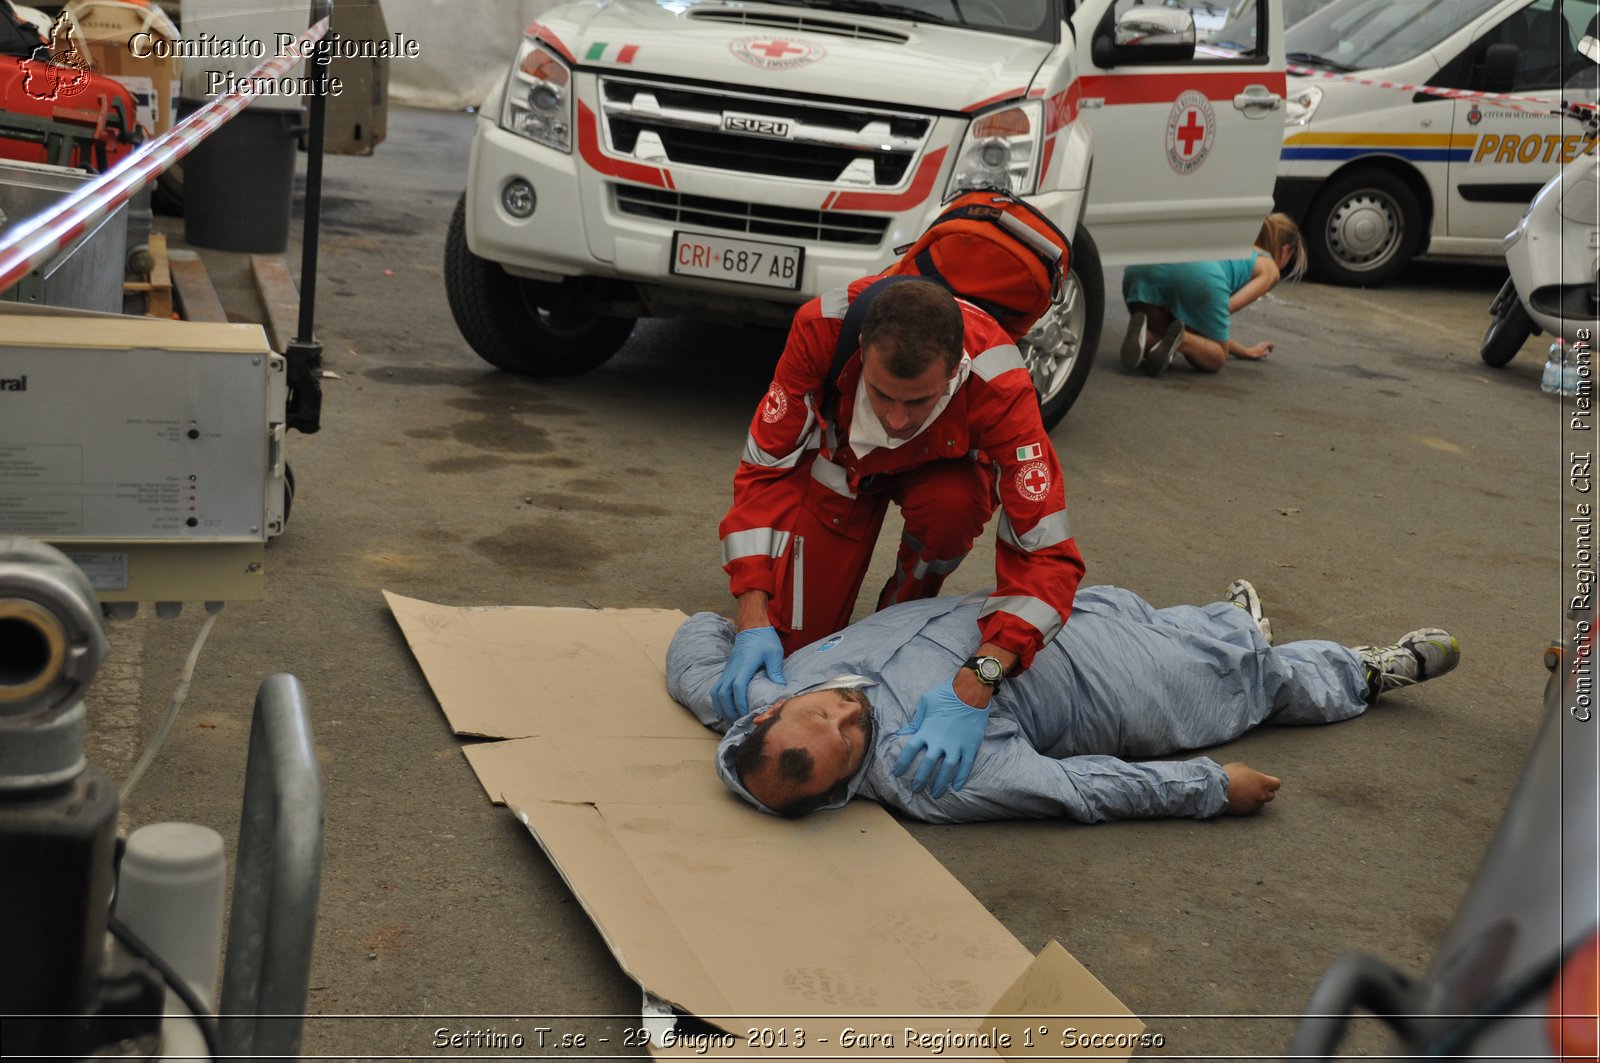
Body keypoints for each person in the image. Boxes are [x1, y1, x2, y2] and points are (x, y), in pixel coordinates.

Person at [667, 579, 1460, 823]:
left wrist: (748, 632)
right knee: (1245, 682)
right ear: (844, 786)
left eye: (820, 711)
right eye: (847, 742)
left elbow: (691, 646)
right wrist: (1212, 787)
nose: (847, 713)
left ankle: (1233, 623)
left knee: (1167, 619)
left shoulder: (751, 691)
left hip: (1031, 609)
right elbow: (1080, 788)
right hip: (1109, 681)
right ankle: (1359, 673)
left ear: (765, 716)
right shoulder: (928, 774)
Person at [713, 277, 1085, 793]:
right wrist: (753, 611)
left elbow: (1046, 552)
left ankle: (905, 608)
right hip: (843, 468)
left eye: (918, 401)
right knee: (799, 653)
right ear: (861, 351)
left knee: (954, 508)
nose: (895, 418)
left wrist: (984, 675)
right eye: (882, 393)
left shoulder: (1002, 386)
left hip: (943, 473)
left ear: (956, 371)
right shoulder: (821, 329)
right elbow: (766, 469)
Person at [1119, 213, 1308, 377]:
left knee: (1166, 331)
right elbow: (1226, 307)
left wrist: (1243, 351)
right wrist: (1221, 347)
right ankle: (1181, 341)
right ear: (1286, 251)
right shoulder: (1269, 267)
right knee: (1215, 357)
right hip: (1200, 275)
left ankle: (1144, 336)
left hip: (1143, 265)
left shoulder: (1232, 241)